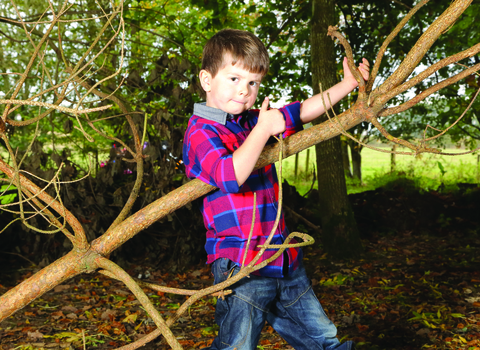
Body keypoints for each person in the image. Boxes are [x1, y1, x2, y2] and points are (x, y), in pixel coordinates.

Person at [183, 28, 369, 350]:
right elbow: (230, 175)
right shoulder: (201, 132)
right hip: (241, 264)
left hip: (283, 257)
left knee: (323, 338)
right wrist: (264, 129)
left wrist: (348, 84)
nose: (244, 91)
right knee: (237, 346)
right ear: (207, 80)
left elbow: (300, 112)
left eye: (253, 83)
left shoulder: (251, 121)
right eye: (234, 79)